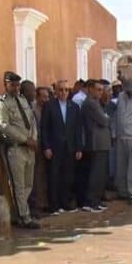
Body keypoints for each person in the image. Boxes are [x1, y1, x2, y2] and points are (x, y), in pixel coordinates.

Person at [0, 71, 40, 229]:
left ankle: (19, 212)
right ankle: (24, 217)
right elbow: (4, 126)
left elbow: (32, 121)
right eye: (12, 85)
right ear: (5, 85)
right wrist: (25, 140)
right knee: (18, 185)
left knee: (28, 184)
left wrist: (33, 138)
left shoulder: (22, 100)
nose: (15, 88)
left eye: (17, 85)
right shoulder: (1, 103)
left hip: (30, 148)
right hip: (16, 148)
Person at [40, 80, 84, 215]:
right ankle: (54, 205)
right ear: (56, 91)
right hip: (54, 147)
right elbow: (44, 128)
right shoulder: (49, 106)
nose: (64, 92)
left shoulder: (74, 107)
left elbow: (77, 129)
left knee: (67, 176)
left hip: (70, 147)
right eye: (61, 90)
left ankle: (65, 203)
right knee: (54, 176)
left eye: (66, 90)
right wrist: (46, 146)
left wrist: (78, 148)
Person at [83, 80, 111, 212]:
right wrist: (106, 117)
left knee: (100, 174)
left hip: (101, 143)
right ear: (90, 89)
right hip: (96, 143)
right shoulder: (90, 103)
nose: (101, 92)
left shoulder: (96, 103)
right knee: (95, 174)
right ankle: (90, 202)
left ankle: (97, 200)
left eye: (102, 90)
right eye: (98, 90)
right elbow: (104, 120)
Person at [30, 86, 52, 215]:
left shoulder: (47, 108)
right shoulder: (33, 110)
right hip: (36, 146)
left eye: (47, 96)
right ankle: (37, 204)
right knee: (36, 176)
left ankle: (44, 202)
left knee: (44, 175)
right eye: (43, 96)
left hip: (46, 145)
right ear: (37, 97)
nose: (46, 99)